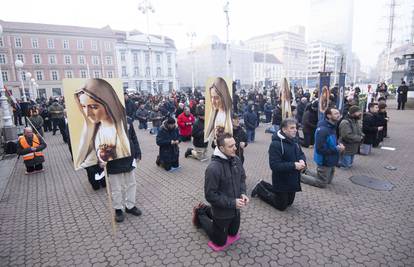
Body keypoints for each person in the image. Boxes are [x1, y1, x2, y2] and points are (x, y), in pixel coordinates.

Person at [192, 133, 248, 247]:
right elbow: (210, 195)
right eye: (231, 146)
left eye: (235, 145)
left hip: (235, 210)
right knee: (220, 241)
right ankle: (200, 213)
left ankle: (206, 209)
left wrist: (243, 193)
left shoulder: (236, 160)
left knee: (232, 233)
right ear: (221, 148)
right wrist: (233, 202)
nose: (235, 148)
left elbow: (242, 179)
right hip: (222, 212)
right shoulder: (213, 168)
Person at [74, 78, 131, 170]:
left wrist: (136, 154)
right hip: (111, 171)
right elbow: (93, 156)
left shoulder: (124, 124)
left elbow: (131, 144)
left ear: (108, 104)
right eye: (84, 106)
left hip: (126, 167)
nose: (88, 113)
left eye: (93, 107)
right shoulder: (95, 130)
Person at [251, 118, 305, 210]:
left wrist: (302, 160)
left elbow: (301, 154)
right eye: (292, 128)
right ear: (284, 129)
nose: (295, 130)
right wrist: (294, 165)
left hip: (293, 178)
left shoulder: (295, 140)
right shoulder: (275, 144)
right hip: (281, 179)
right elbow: (274, 165)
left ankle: (263, 184)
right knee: (281, 206)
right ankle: (260, 188)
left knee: (289, 203)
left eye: (295, 127)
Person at [300, 108, 345, 188]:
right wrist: (337, 149)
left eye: (338, 113)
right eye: (335, 113)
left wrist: (338, 145)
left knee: (328, 181)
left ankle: (306, 171)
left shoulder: (332, 126)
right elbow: (320, 149)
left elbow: (332, 141)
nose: (338, 115)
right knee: (322, 183)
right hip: (325, 160)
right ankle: (298, 177)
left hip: (332, 158)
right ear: (328, 115)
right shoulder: (323, 130)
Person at [205, 77, 233, 143]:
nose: (213, 101)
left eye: (216, 98)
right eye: (211, 97)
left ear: (224, 97)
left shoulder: (229, 114)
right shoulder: (214, 112)